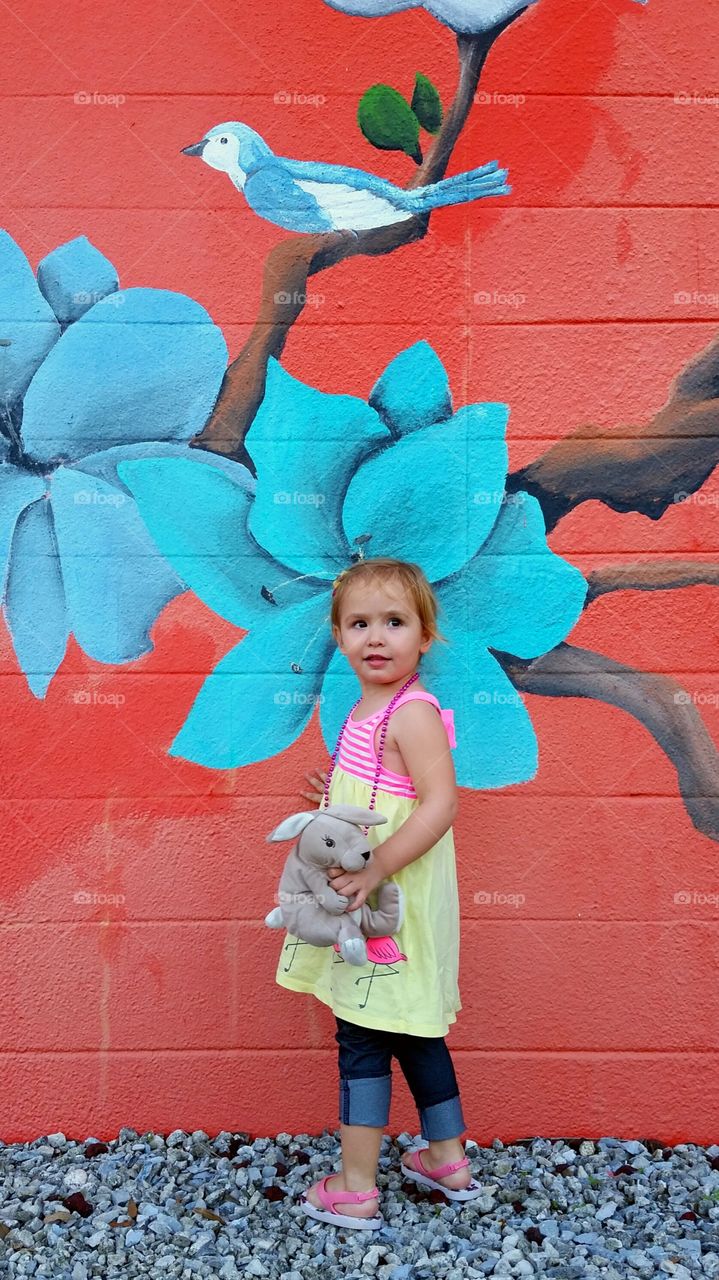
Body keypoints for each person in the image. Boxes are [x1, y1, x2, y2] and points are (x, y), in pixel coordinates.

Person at [273, 556, 483, 1231]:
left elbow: (439, 803)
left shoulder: (411, 712)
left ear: (424, 636)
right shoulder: (365, 708)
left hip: (389, 909)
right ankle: (446, 1159)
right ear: (338, 636)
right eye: (359, 623)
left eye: (394, 622)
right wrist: (334, 801)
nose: (376, 636)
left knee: (362, 1035)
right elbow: (383, 793)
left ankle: (355, 1185)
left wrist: (374, 868)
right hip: (371, 902)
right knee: (414, 1031)